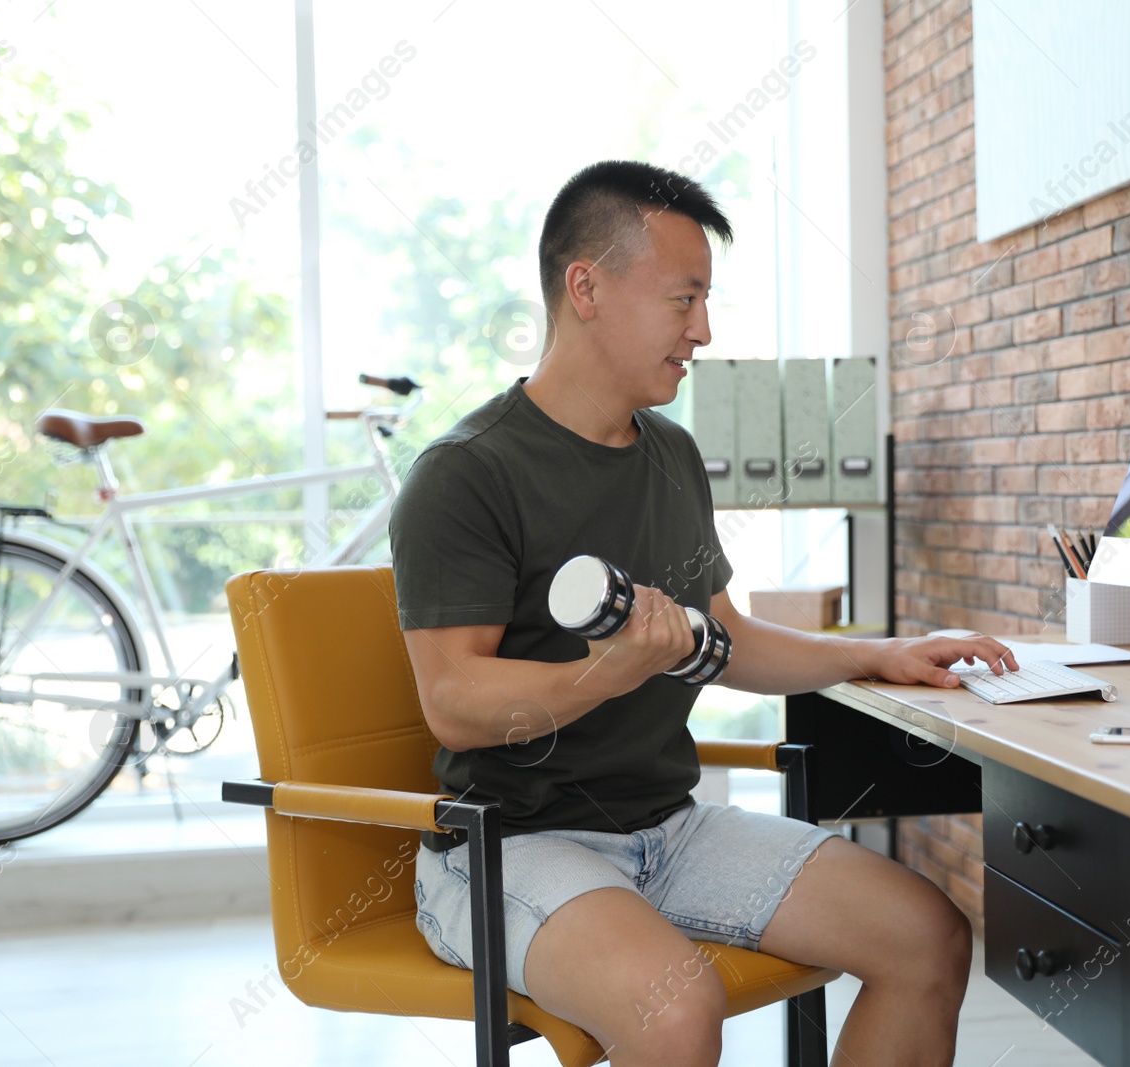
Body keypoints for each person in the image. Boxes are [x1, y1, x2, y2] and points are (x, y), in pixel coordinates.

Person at [390, 159, 1019, 1067]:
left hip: (669, 828)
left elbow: (723, 639)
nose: (705, 330)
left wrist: (877, 652)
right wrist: (612, 669)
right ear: (587, 287)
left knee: (926, 936)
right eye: (683, 300)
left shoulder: (671, 455)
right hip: (508, 842)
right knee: (676, 1012)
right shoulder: (468, 472)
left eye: (707, 301)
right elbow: (453, 699)